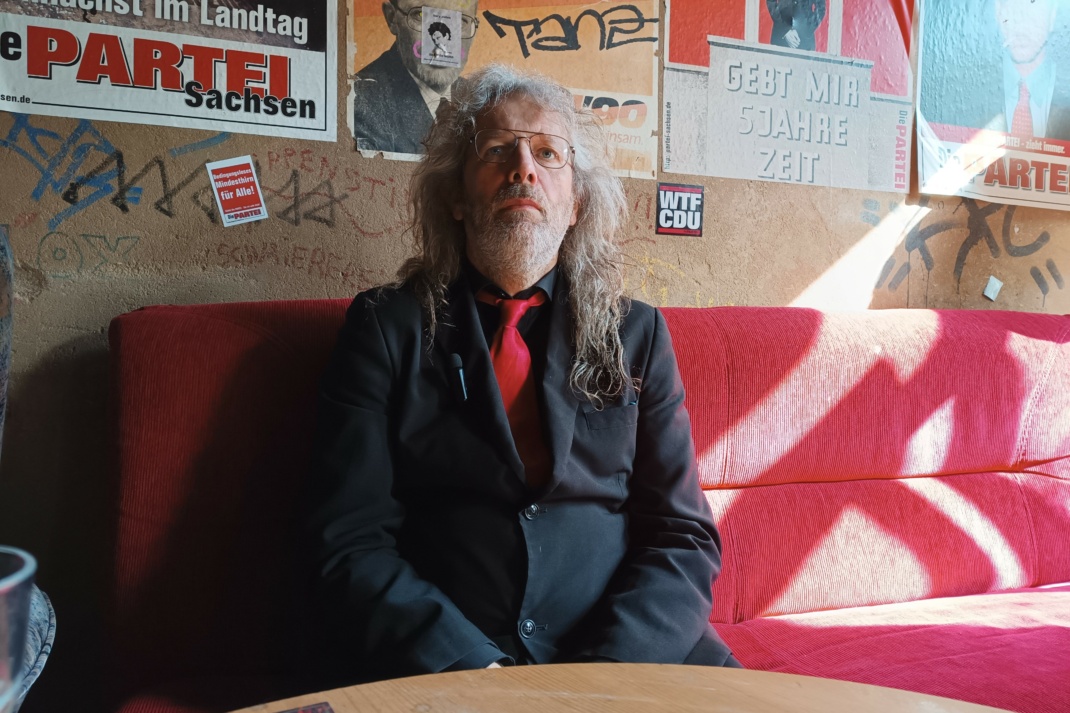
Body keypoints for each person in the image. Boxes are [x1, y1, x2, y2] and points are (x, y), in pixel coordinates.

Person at [308, 64, 738, 681]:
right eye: (496, 150)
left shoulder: (637, 334)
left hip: (628, 654)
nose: (523, 169)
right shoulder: (385, 328)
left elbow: (682, 534)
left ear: (576, 203)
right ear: (456, 197)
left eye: (547, 153)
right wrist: (474, 667)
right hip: (450, 662)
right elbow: (349, 537)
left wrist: (606, 672)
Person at [353, 0, 480, 154]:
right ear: (392, 18)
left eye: (460, 21)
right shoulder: (360, 102)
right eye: (421, 15)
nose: (440, 48)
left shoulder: (479, 100)